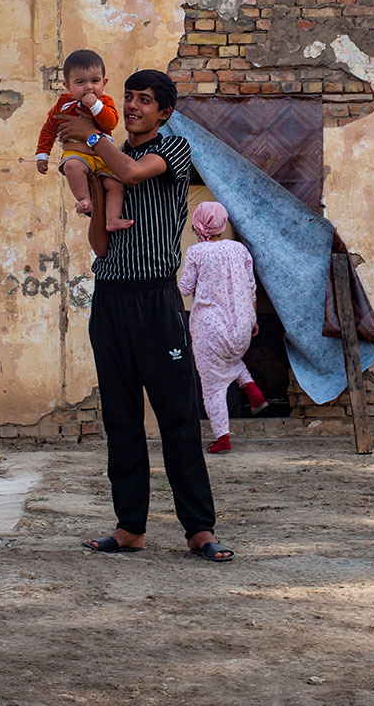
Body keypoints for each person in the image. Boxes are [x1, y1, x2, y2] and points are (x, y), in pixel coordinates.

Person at [55, 69, 232, 562]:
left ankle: (198, 528)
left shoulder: (172, 151)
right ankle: (130, 527)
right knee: (122, 418)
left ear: (164, 113)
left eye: (145, 100)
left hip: (157, 299)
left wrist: (89, 134)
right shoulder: (103, 157)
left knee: (177, 417)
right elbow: (98, 242)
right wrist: (90, 169)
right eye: (129, 97)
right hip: (111, 299)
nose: (133, 106)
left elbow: (132, 174)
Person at [178, 201, 268, 454]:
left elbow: (185, 288)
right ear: (222, 223)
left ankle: (222, 437)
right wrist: (252, 319)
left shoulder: (197, 253)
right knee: (228, 357)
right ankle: (251, 388)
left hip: (210, 328)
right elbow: (251, 287)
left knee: (213, 387)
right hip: (243, 324)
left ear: (197, 224)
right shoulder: (240, 250)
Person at [35, 50, 132, 232]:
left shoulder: (105, 102)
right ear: (68, 86)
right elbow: (48, 129)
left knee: (115, 184)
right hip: (78, 154)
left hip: (102, 157)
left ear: (104, 82)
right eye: (80, 82)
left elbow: (111, 122)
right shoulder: (62, 105)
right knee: (71, 166)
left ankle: (112, 219)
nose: (88, 87)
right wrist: (42, 155)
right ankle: (84, 200)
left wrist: (94, 105)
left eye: (94, 81)